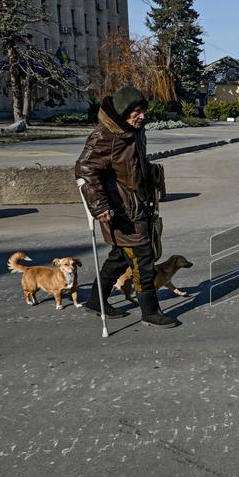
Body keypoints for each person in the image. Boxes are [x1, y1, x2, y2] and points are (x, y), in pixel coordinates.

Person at [75, 86, 178, 328]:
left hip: (137, 204)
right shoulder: (105, 136)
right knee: (143, 259)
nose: (142, 116)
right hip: (121, 209)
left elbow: (130, 164)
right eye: (137, 112)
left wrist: (148, 172)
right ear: (123, 112)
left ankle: (95, 300)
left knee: (120, 256)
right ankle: (150, 311)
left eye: (143, 111)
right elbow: (85, 168)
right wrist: (99, 206)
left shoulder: (134, 131)